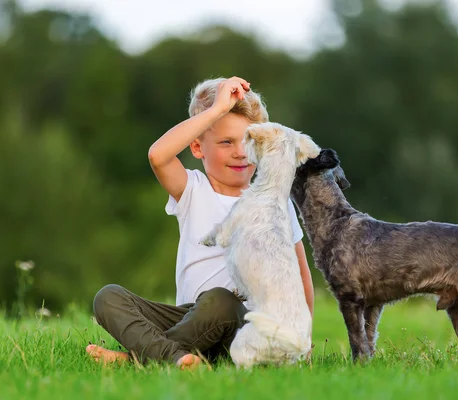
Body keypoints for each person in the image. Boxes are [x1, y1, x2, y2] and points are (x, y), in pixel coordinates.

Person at [86, 76, 314, 369]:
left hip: (245, 325)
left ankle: (138, 361)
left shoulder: (277, 203)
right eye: (226, 142)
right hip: (190, 319)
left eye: (249, 141)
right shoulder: (193, 189)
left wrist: (303, 342)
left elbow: (301, 275)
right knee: (108, 298)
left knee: (218, 300)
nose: (240, 152)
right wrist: (217, 109)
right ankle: (177, 357)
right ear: (197, 148)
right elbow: (158, 155)